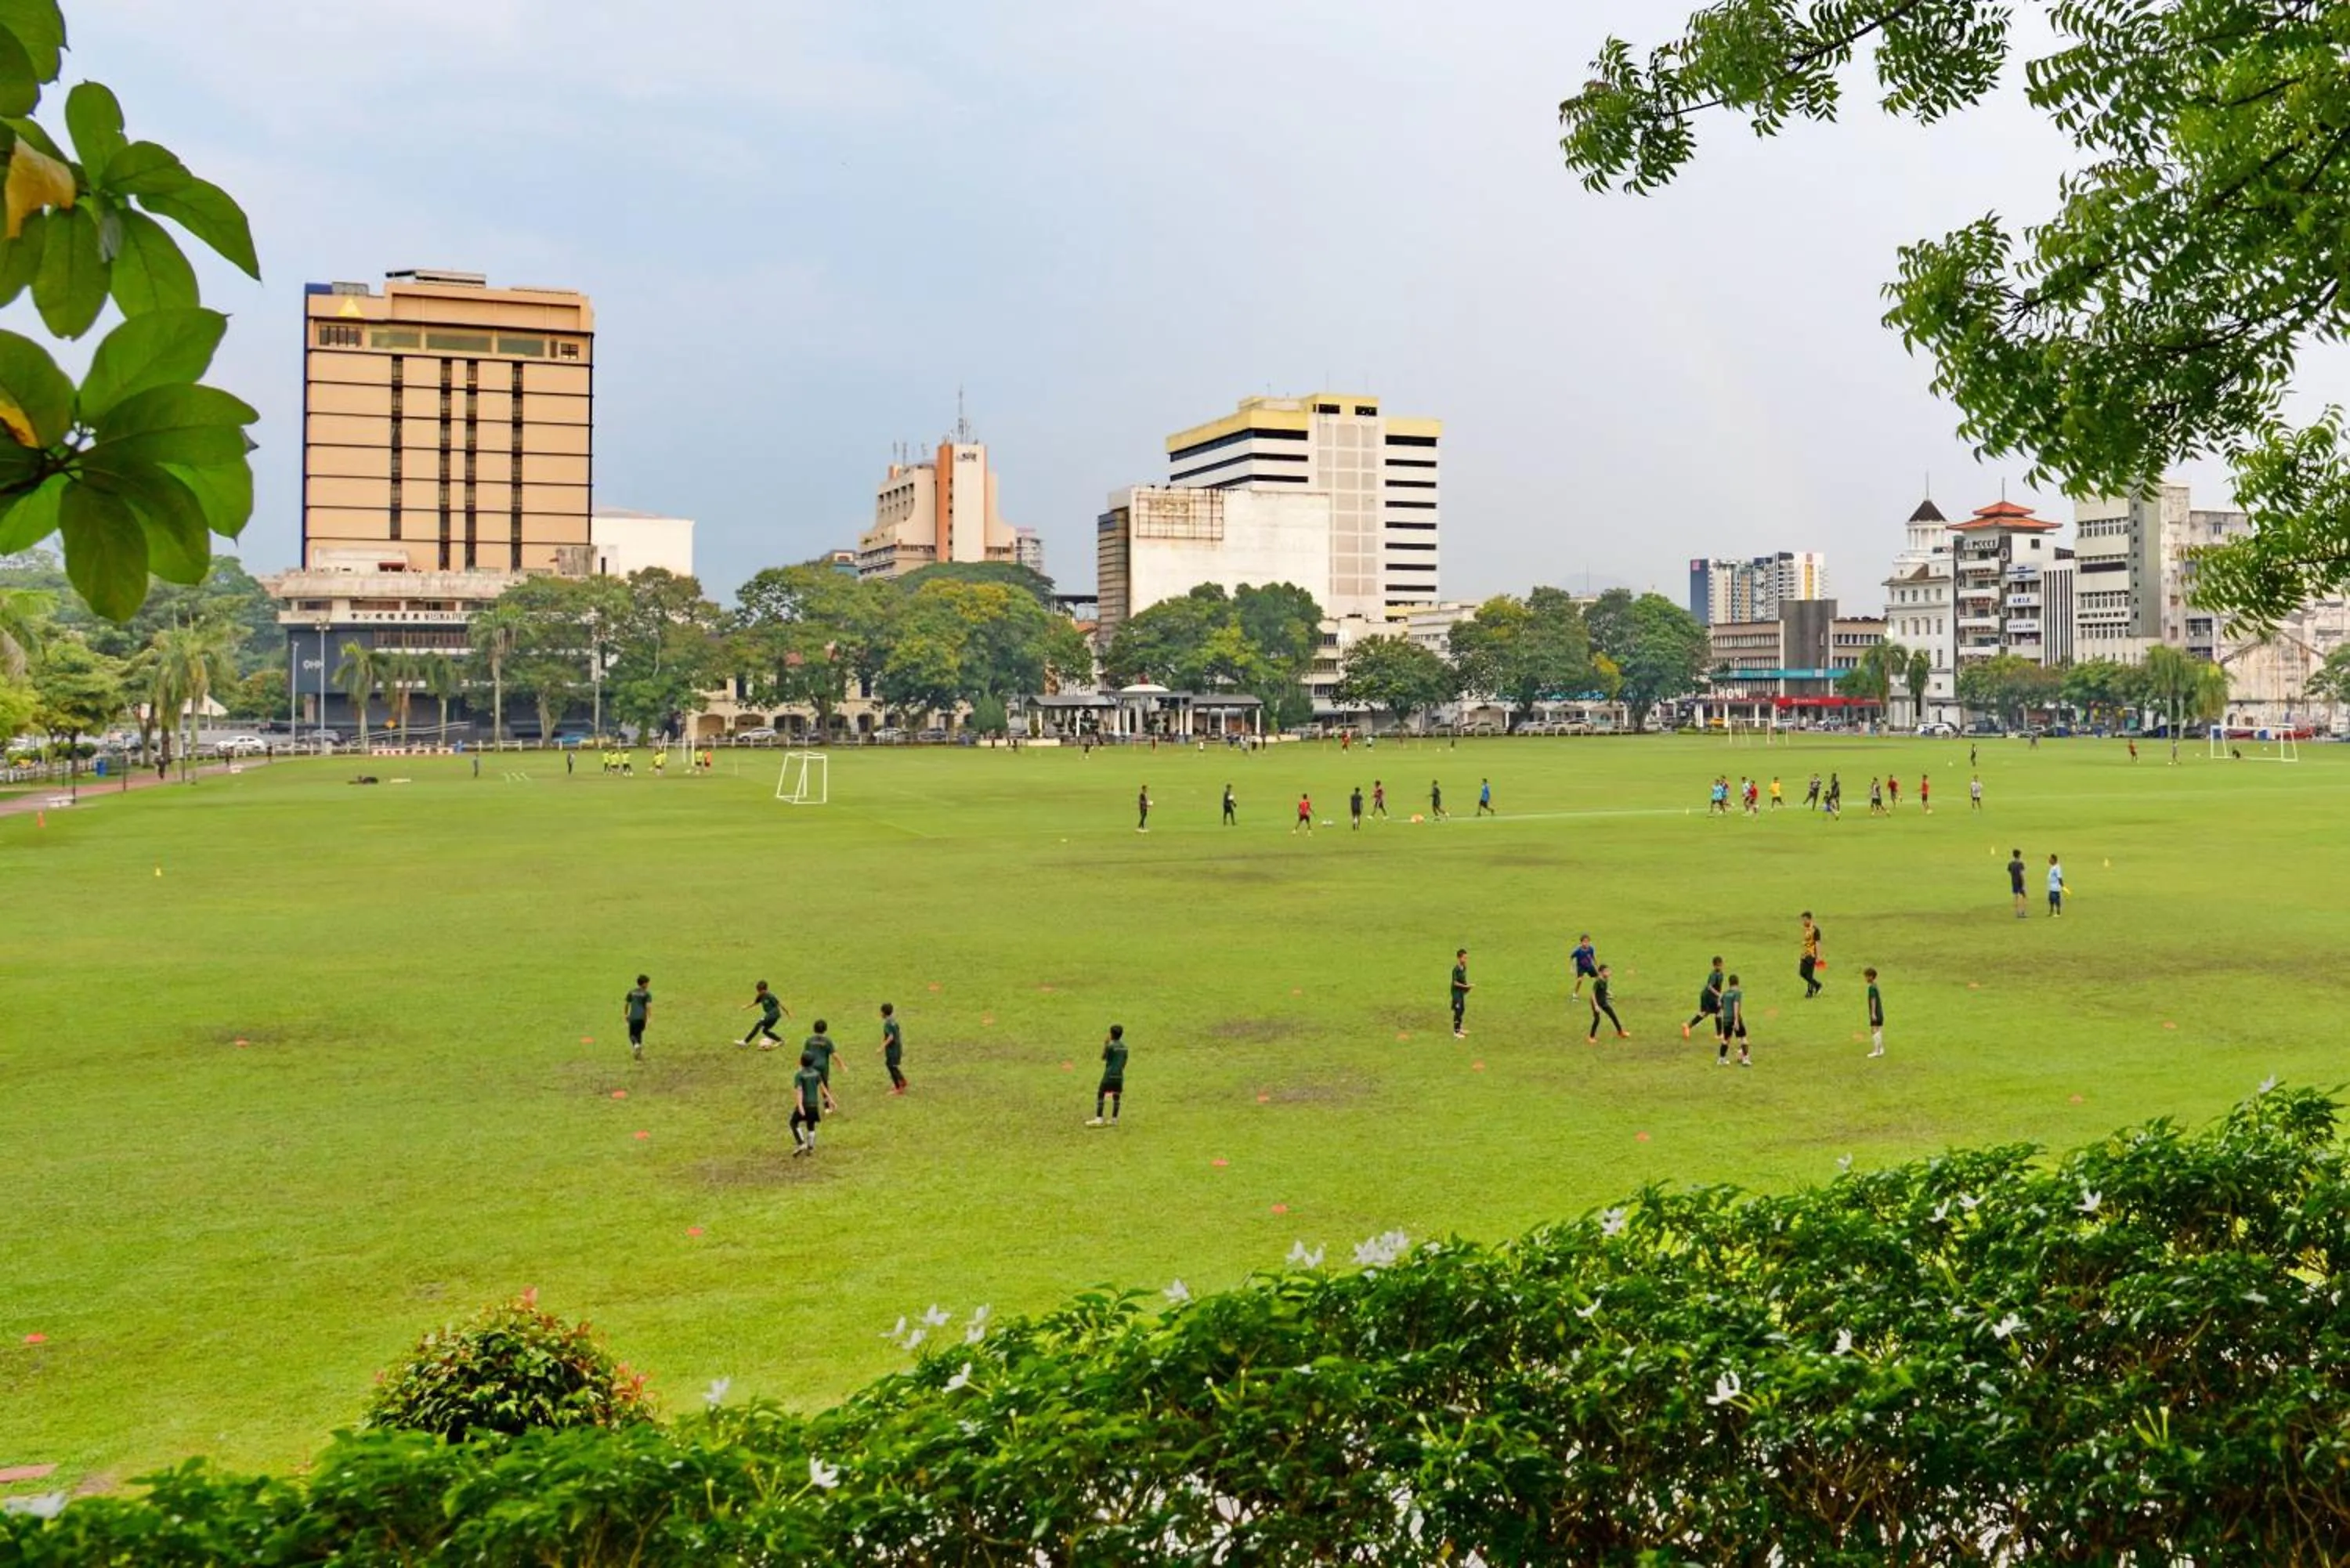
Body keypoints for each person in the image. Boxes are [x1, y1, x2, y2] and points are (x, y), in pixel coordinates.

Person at [1086, 1025, 1128, 1126]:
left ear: (1112, 1034)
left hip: (1109, 1074)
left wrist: (1106, 1044)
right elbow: (1124, 1062)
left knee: (1101, 1093)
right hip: (1119, 1075)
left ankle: (1099, 1118)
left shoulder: (1111, 1046)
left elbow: (1104, 1057)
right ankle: (1114, 1119)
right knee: (1116, 1096)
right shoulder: (1125, 1048)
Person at [797, 1020, 841, 1113]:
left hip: (811, 1066)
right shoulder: (827, 1041)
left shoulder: (809, 1041)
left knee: (809, 1087)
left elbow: (804, 1054)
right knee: (824, 1086)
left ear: (814, 1029)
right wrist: (842, 1065)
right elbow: (834, 1055)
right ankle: (827, 1107)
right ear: (825, 1029)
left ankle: (805, 1106)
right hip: (823, 1067)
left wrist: (800, 1067)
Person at [789, 1050, 824, 1157]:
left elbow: (799, 1090)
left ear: (801, 1061)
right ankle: (810, 1147)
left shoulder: (799, 1075)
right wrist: (830, 1100)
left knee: (793, 1122)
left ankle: (801, 1143)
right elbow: (823, 1088)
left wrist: (800, 1105)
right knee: (811, 1125)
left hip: (804, 1104)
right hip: (814, 1105)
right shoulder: (816, 1073)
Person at [1684, 957, 1725, 1042]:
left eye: (1720, 965)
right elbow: (1710, 987)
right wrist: (1718, 995)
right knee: (1718, 1011)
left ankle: (1688, 1026)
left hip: (1707, 996)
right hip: (1708, 996)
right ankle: (1719, 1034)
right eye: (1718, 965)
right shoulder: (1714, 975)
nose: (1720, 966)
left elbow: (1719, 986)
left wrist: (1719, 996)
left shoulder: (1720, 974)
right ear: (1715, 966)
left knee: (1705, 1013)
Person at [739, 980, 789, 1046]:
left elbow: (779, 1004)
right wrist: (746, 1007)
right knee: (765, 1031)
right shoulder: (760, 996)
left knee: (759, 1024)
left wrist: (787, 1012)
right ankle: (780, 1040)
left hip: (774, 1014)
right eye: (758, 991)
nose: (759, 992)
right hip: (771, 1015)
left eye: (760, 991)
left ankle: (745, 1042)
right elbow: (755, 1003)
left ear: (765, 990)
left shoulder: (770, 996)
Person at [1587, 963, 1629, 1042]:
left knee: (1613, 1016)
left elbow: (1603, 989)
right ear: (1601, 973)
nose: (1609, 972)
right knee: (1597, 1019)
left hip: (1603, 1002)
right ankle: (1591, 1037)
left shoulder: (1605, 980)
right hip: (1596, 1002)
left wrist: (1608, 992)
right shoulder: (1598, 981)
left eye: (1608, 971)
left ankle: (1620, 1032)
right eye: (1606, 971)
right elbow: (1593, 994)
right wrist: (1596, 1006)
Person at [1717, 974, 1751, 1065]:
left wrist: (1725, 1011)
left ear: (1729, 983)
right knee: (1743, 1038)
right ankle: (1745, 1059)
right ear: (1738, 983)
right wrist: (1736, 1020)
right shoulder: (1737, 993)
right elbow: (1736, 1005)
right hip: (1735, 1018)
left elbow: (1719, 1004)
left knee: (1726, 1039)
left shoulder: (1725, 993)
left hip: (1726, 1019)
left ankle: (1721, 1059)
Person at [879, 1003, 907, 1094]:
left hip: (892, 1049)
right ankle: (902, 1081)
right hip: (897, 1047)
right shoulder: (893, 1021)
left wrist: (882, 1047)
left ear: (884, 1013)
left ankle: (898, 1087)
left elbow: (891, 1037)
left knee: (891, 1066)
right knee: (892, 1066)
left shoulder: (887, 1023)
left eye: (881, 1012)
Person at [624, 974, 652, 1064]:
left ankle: (636, 1046)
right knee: (638, 1034)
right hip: (642, 1018)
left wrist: (626, 1015)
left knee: (631, 1035)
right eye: (647, 983)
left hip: (633, 1017)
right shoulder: (647, 994)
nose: (648, 985)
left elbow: (627, 1004)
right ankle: (638, 1055)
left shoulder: (631, 992)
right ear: (644, 984)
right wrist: (649, 1017)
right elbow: (648, 1006)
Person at [1799, 912, 1824, 998]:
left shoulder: (1815, 930)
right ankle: (1817, 985)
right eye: (1802, 920)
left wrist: (1819, 956)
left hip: (1812, 954)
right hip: (1805, 954)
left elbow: (1818, 943)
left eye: (1805, 920)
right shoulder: (1806, 929)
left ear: (1810, 919)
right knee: (1802, 973)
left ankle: (1810, 992)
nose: (1803, 922)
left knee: (1809, 975)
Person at [1450, 948, 1472, 1038]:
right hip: (1456, 993)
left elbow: (1463, 981)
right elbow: (1455, 983)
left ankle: (1460, 1028)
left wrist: (1467, 987)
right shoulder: (1456, 969)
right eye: (1464, 958)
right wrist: (1465, 987)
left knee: (1462, 1010)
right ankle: (1456, 1032)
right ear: (1459, 958)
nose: (1466, 960)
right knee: (1458, 1011)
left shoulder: (1464, 968)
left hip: (1461, 993)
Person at [1570, 933, 1600, 997]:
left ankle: (1605, 992)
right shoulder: (1578, 950)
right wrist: (1572, 968)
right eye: (1584, 942)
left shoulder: (1591, 949)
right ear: (1581, 943)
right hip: (1581, 967)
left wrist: (1597, 966)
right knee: (1580, 980)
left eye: (1587, 942)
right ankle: (1575, 993)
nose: (1586, 943)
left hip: (1589, 966)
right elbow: (1572, 957)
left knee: (1599, 979)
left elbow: (1594, 957)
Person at [1864, 968, 1885, 1057]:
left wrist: (1873, 1013)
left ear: (1871, 977)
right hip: (1880, 1012)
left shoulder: (1871, 988)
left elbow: (1873, 1000)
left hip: (1876, 1012)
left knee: (1874, 1030)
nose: (1865, 978)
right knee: (1878, 1030)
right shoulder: (1875, 985)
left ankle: (1876, 1051)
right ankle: (1881, 1049)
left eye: (1866, 976)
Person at [2007, 848, 2028, 919]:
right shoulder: (2020, 864)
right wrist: (2023, 883)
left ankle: (2017, 912)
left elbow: (2010, 871)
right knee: (2023, 896)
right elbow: (2021, 874)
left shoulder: (2011, 864)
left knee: (2016, 897)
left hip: (2014, 882)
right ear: (2019, 855)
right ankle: (2023, 912)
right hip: (2020, 882)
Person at [2047, 853, 2066, 917]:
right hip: (2051, 887)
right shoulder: (2053, 867)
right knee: (2051, 899)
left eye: (2050, 859)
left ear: (2054, 860)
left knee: (2056, 900)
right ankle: (2051, 911)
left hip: (2055, 887)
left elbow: (2059, 877)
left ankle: (2058, 913)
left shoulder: (2057, 868)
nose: (2049, 860)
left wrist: (2062, 886)